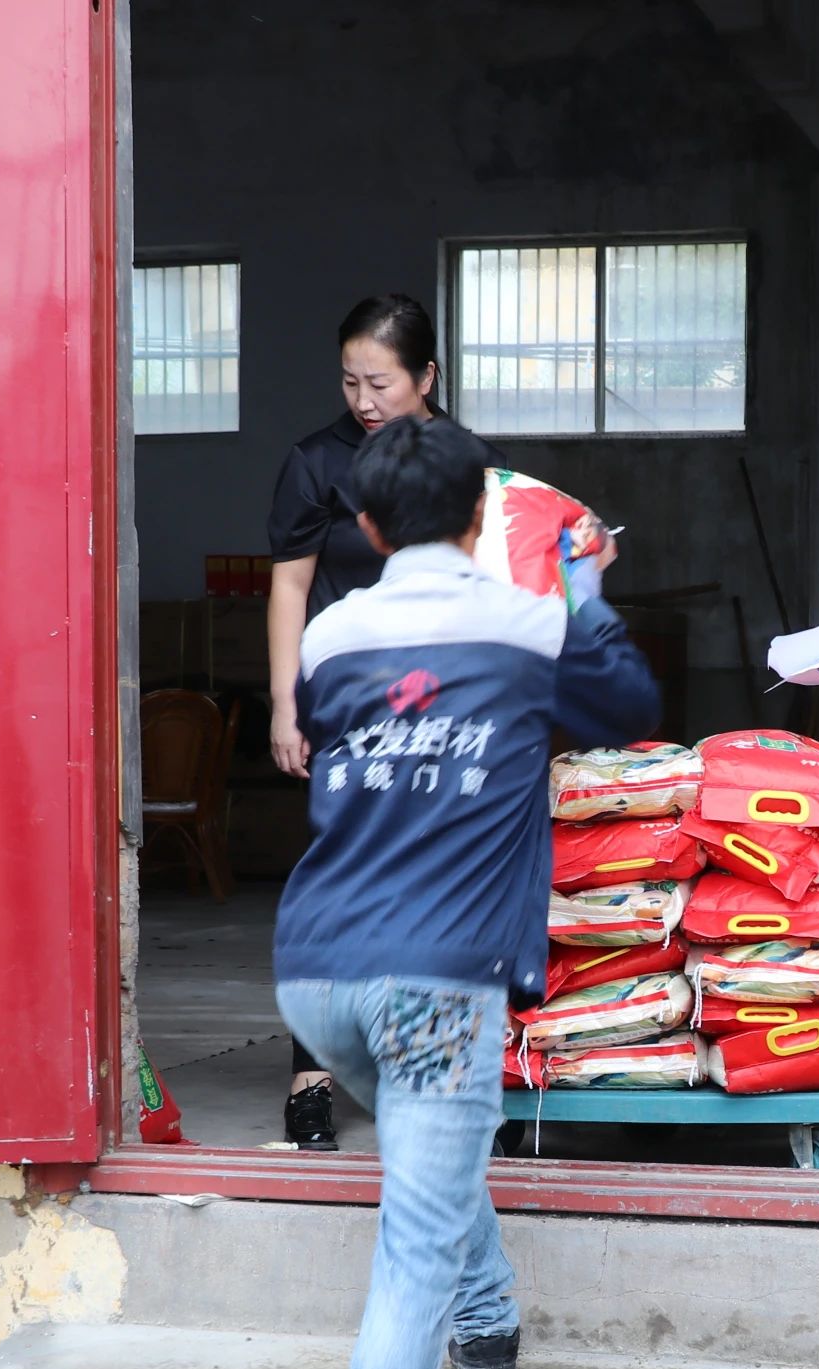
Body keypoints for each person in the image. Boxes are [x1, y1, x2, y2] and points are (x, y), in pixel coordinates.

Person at [274, 414, 655, 1369]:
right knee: (414, 1236)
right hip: (439, 977)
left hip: (314, 976)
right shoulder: (527, 625)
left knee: (432, 1158)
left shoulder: (331, 634)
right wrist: (584, 586)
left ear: (368, 526)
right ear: (484, 517)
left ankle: (488, 1325)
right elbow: (628, 705)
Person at [263, 295, 496, 1152]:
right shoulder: (317, 462)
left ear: (426, 376)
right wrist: (285, 700)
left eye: (381, 383)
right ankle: (312, 1077)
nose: (364, 401)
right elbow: (290, 585)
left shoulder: (471, 463)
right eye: (350, 382)